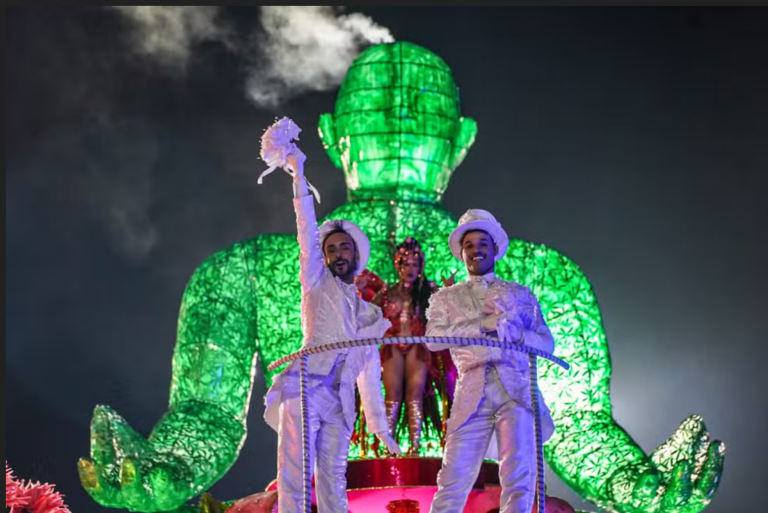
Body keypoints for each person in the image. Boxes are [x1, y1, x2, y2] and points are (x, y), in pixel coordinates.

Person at [262, 143, 401, 513]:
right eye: (332, 249)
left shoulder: (370, 315)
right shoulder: (315, 283)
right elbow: (306, 232)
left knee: (333, 478)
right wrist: (299, 176)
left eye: (345, 248)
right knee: (295, 474)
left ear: (356, 254)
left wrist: (379, 426)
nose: (338, 254)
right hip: (305, 385)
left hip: (340, 401)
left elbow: (369, 371)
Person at [425, 209, 556, 513]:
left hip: (516, 390)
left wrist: (519, 335)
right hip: (472, 391)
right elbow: (433, 339)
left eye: (482, 243)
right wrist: (484, 324)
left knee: (519, 475)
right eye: (469, 245)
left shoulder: (520, 294)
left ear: (495, 248)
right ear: (461, 252)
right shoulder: (446, 298)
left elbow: (547, 342)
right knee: (454, 475)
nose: (476, 250)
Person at [356, 237, 455, 456]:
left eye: (414, 264)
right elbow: (367, 313)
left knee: (414, 393)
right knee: (393, 393)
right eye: (405, 264)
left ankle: (414, 448)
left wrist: (448, 291)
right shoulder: (386, 292)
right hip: (392, 346)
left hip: (417, 347)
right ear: (397, 265)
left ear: (420, 267)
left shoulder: (428, 291)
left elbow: (448, 308)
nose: (410, 269)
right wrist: (361, 292)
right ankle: (388, 447)